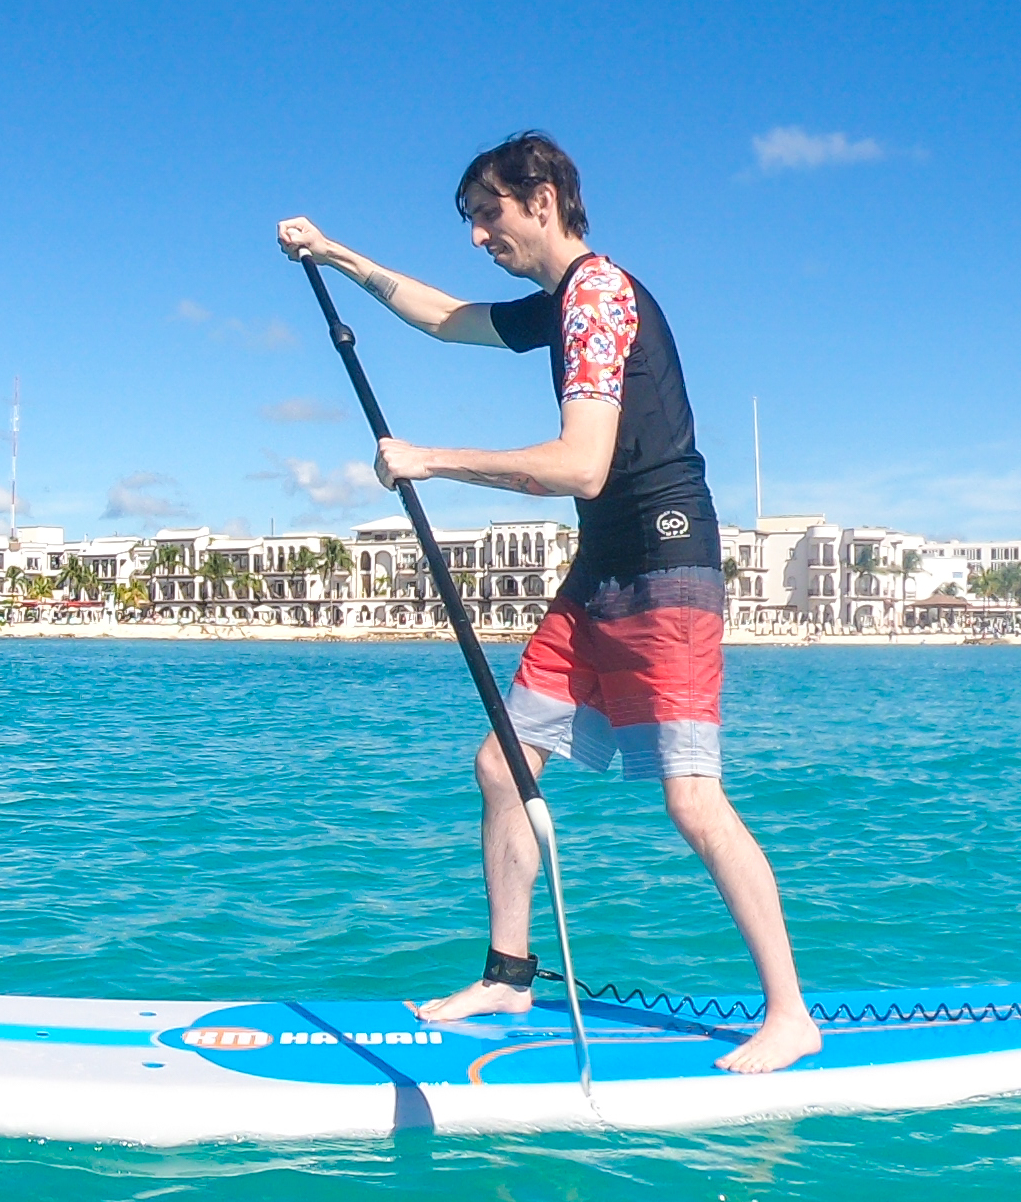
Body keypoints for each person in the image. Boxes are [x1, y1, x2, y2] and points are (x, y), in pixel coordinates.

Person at [280, 131, 823, 1075]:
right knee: (502, 763)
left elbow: (581, 463)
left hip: (665, 567)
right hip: (599, 566)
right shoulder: (558, 304)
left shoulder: (600, 298)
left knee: (692, 801)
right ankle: (508, 971)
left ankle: (790, 1013)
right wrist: (338, 255)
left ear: (542, 198)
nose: (479, 237)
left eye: (487, 214)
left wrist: (431, 459)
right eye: (470, 222)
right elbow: (447, 318)